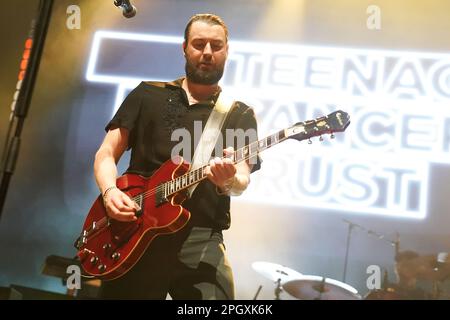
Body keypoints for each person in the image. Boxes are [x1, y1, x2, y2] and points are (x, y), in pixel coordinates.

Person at [93, 13, 261, 299]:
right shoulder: (147, 94)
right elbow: (106, 153)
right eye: (199, 44)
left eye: (216, 46)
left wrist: (228, 180)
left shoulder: (239, 114)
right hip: (135, 231)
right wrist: (109, 192)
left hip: (200, 239)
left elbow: (242, 178)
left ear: (227, 51)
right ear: (184, 47)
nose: (207, 52)